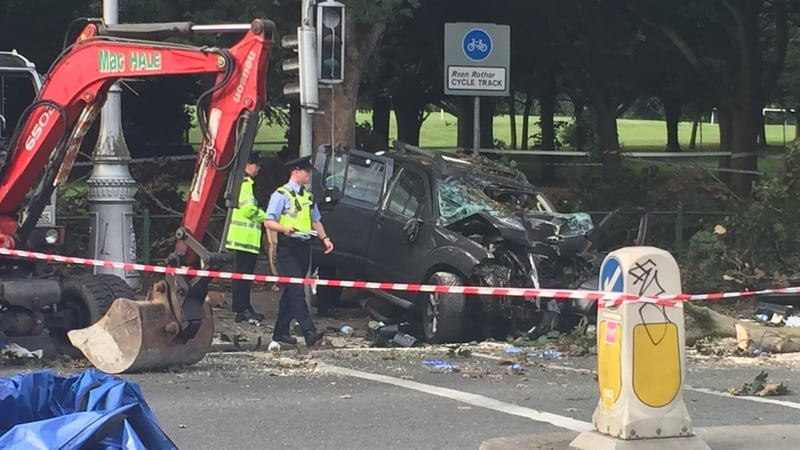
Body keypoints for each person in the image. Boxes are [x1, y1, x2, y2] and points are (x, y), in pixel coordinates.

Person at [264, 155, 333, 347]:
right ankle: (308, 330)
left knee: (291, 292)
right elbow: (269, 221)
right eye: (307, 171)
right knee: (296, 290)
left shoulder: (308, 197)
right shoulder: (281, 195)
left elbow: (315, 219)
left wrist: (325, 238)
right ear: (296, 172)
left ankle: (280, 333)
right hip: (288, 247)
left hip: (304, 247)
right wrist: (285, 229)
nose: (309, 175)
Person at [223, 152, 267, 323]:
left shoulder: (242, 183)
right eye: (256, 164)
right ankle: (242, 309)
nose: (258, 168)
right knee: (242, 276)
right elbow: (249, 210)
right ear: (248, 165)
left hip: (245, 240)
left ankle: (245, 307)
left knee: (244, 276)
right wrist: (266, 217)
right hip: (243, 240)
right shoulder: (245, 184)